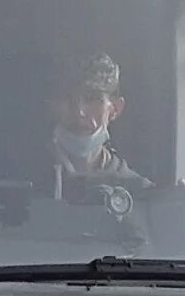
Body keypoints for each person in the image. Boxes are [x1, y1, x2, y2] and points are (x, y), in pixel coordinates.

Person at [43, 52, 152, 203]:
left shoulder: (137, 192)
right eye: (67, 99)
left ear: (115, 108)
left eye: (92, 99)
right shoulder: (20, 177)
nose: (79, 112)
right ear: (52, 106)